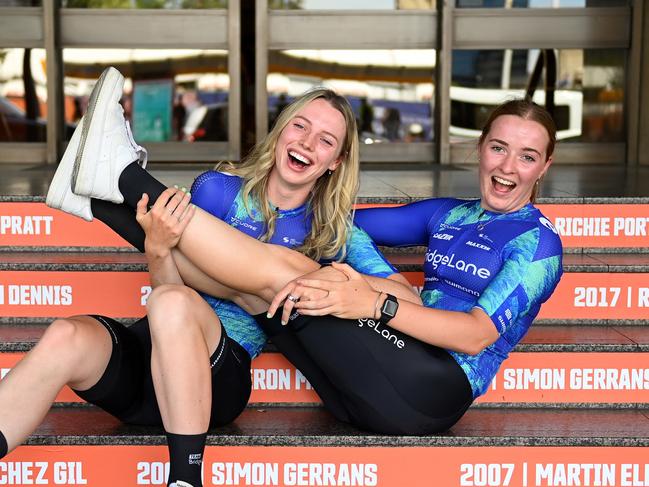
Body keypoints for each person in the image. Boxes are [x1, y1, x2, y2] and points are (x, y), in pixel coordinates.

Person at [56, 70, 562, 436]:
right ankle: (97, 198)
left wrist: (375, 302)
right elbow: (331, 222)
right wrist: (283, 214)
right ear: (480, 148)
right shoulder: (448, 214)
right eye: (499, 148)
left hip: (432, 388)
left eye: (527, 156)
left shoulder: (537, 245)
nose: (508, 167)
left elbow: (475, 336)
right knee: (275, 286)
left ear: (544, 167)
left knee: (293, 283)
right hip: (360, 392)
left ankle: (119, 182)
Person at [0, 67, 416, 487]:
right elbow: (171, 290)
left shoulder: (335, 233)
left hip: (219, 376)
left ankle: (185, 479)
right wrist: (158, 249)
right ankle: (104, 190)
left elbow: (406, 298)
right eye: (300, 126)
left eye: (325, 141)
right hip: (148, 369)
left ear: (335, 162)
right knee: (65, 335)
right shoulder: (217, 191)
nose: (307, 143)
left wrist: (335, 282)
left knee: (176, 302)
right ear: (280, 131)